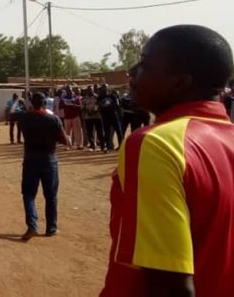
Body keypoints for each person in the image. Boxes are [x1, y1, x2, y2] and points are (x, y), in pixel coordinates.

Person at [100, 25, 234, 296]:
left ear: (181, 82)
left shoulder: (156, 144)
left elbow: (171, 285)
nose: (132, 71)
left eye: (144, 63)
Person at [16, 93, 69, 240]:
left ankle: (32, 225)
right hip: (49, 161)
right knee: (51, 196)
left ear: (31, 103)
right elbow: (65, 140)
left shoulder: (24, 119)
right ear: (45, 103)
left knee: (28, 194)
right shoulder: (53, 119)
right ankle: (51, 228)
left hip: (30, 160)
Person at [98, 85, 123, 152]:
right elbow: (99, 106)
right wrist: (107, 107)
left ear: (108, 88)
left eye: (105, 88)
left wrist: (106, 107)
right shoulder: (100, 97)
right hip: (105, 117)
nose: (104, 89)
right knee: (107, 132)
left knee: (119, 131)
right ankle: (108, 147)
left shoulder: (112, 96)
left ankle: (121, 146)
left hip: (114, 116)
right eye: (103, 88)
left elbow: (116, 105)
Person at [82, 87, 106, 152]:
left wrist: (96, 111)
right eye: (89, 90)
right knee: (90, 132)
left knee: (100, 132)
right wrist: (87, 111)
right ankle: (92, 146)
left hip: (97, 116)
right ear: (87, 91)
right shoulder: (84, 98)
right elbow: (82, 107)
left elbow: (101, 105)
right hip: (88, 117)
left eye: (91, 89)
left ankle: (103, 146)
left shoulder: (97, 97)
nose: (90, 91)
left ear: (93, 90)